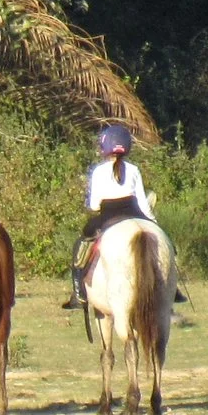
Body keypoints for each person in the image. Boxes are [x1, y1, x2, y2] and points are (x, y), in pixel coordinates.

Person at [62, 124, 157, 309]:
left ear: (105, 147)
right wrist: (154, 222)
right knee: (163, 243)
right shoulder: (134, 169)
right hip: (134, 212)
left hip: (108, 214)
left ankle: (79, 293)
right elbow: (143, 204)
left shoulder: (99, 171)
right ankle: (172, 288)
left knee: (81, 244)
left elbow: (94, 205)